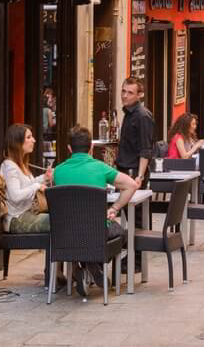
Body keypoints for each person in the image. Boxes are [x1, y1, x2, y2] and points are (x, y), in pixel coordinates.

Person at [53, 126, 136, 296]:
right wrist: (115, 207)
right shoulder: (100, 168)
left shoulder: (57, 171)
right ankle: (93, 263)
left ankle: (80, 266)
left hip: (65, 233)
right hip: (96, 230)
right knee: (121, 233)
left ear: (69, 149)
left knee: (80, 235)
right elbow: (131, 185)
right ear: (91, 147)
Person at [0, 123, 52, 233]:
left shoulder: (19, 164)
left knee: (61, 218)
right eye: (28, 137)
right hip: (16, 219)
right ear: (17, 143)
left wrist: (45, 177)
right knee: (60, 221)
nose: (34, 140)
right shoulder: (9, 166)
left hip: (26, 214)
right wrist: (37, 186)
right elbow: (15, 196)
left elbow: (28, 184)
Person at [115, 76, 153, 187]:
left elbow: (146, 150)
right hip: (124, 172)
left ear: (139, 95)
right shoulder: (129, 112)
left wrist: (140, 176)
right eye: (123, 91)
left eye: (130, 93)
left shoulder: (142, 116)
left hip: (134, 173)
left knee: (132, 205)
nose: (125, 96)